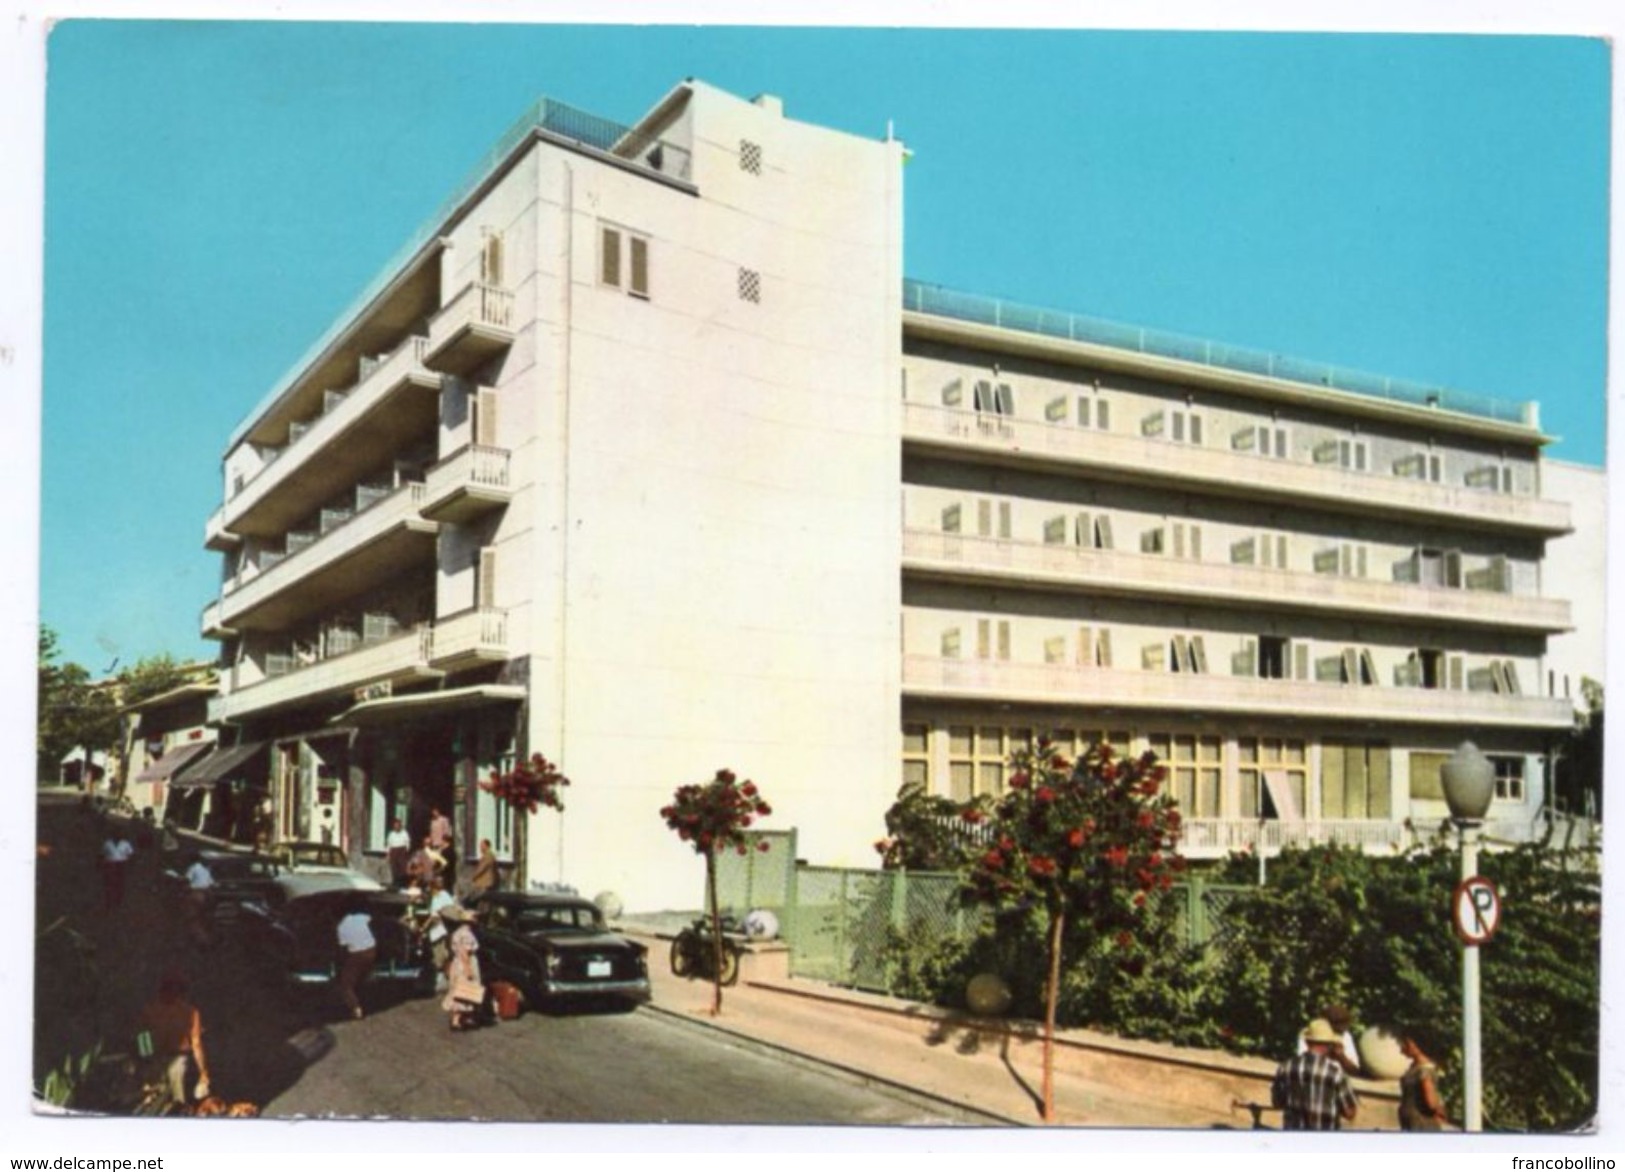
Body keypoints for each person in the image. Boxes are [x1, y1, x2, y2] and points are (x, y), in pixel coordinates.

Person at [136, 970, 212, 1109]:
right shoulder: (150, 1010)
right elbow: (142, 1037)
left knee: (178, 1101)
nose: (171, 993)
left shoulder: (190, 1012)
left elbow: (196, 1043)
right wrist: (146, 1060)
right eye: (168, 988)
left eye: (174, 989)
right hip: (156, 1059)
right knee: (153, 1099)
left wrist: (203, 1072)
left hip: (178, 1060)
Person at [1273, 1018, 1359, 1130]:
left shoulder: (1285, 1067)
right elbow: (1350, 1113)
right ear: (1329, 1045)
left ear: (1307, 1042)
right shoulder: (1336, 1074)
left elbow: (1277, 1103)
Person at [442, 912, 484, 1031]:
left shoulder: (457, 932)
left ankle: (460, 1019)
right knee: (466, 990)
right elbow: (464, 953)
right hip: (465, 964)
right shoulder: (467, 935)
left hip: (457, 964)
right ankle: (458, 1019)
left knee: (457, 990)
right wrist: (468, 969)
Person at [1398, 1035, 1449, 1131]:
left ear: (1418, 1046)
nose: (1403, 1046)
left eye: (1407, 1043)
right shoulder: (1419, 1067)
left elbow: (1431, 1102)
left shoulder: (1424, 1071)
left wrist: (1439, 1110)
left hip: (1421, 1122)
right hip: (1414, 1120)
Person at [1295, 1002, 1361, 1076]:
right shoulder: (1311, 1034)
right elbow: (1302, 1064)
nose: (1340, 1033)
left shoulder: (1346, 1036)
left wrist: (1341, 1057)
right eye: (1337, 1029)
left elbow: (1355, 1071)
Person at [335, 904, 377, 1020]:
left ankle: (356, 1008)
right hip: (372, 950)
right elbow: (372, 920)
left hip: (357, 955)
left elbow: (343, 946)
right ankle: (369, 976)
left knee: (345, 985)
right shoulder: (360, 917)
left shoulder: (340, 928)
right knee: (364, 972)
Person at [422, 876, 457, 993]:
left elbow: (435, 916)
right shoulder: (440, 896)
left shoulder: (440, 896)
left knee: (441, 956)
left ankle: (445, 981)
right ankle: (446, 980)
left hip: (439, 930)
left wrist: (423, 927)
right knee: (442, 956)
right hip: (440, 930)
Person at [184, 854, 215, 947]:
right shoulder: (207, 869)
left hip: (196, 893)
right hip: (207, 894)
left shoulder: (193, 868)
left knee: (194, 918)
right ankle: (209, 938)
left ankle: (201, 939)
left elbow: (187, 879)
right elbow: (211, 883)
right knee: (205, 917)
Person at [100, 831, 134, 911]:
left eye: (119, 834)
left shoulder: (125, 844)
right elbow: (102, 854)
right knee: (109, 882)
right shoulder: (107, 843)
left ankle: (118, 901)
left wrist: (130, 864)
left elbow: (131, 854)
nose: (117, 835)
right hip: (110, 864)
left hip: (121, 865)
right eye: (116, 834)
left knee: (120, 883)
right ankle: (108, 901)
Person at [385, 818, 412, 888]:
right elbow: (389, 844)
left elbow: (407, 842)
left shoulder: (404, 833)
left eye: (397, 825)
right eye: (395, 825)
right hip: (393, 851)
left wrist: (406, 851)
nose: (396, 826)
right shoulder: (391, 834)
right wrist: (388, 854)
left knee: (402, 868)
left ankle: (402, 883)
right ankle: (395, 883)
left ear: (400, 826)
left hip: (402, 850)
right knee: (394, 867)